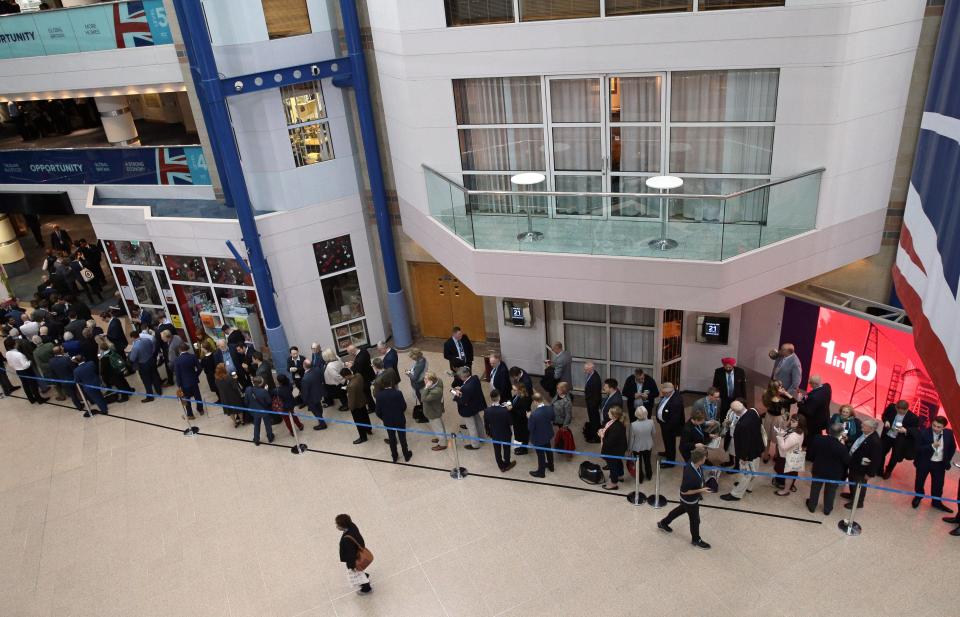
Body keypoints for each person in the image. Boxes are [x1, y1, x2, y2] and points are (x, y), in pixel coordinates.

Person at [657, 448, 712, 550]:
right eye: (705, 457)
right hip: (690, 500)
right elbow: (684, 491)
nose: (706, 458)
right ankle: (696, 540)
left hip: (687, 500)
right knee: (695, 520)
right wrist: (701, 490)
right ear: (700, 459)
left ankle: (663, 523)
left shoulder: (692, 461)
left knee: (680, 510)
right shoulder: (691, 475)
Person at [721, 402, 765, 502]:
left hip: (748, 454)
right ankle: (749, 487)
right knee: (754, 470)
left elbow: (744, 443)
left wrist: (743, 457)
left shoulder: (742, 425)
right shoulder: (753, 411)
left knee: (746, 474)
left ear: (735, 412)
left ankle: (736, 494)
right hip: (757, 448)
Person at [912, 416, 956, 513]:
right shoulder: (923, 432)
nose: (935, 428)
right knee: (919, 481)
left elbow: (952, 447)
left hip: (939, 464)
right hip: (924, 462)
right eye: (934, 425)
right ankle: (918, 496)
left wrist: (947, 460)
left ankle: (936, 502)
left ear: (943, 427)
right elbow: (917, 449)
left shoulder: (949, 434)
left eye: (938, 427)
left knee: (938, 484)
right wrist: (931, 446)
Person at [805, 425, 850, 515]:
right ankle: (827, 509)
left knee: (815, 488)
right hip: (834, 473)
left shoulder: (818, 438)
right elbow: (847, 461)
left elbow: (812, 453)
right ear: (841, 434)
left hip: (819, 468)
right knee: (831, 491)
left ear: (829, 431)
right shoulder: (842, 447)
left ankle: (812, 506)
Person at [842, 418, 882, 509]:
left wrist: (869, 474)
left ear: (871, 429)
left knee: (859, 484)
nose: (861, 426)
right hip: (854, 463)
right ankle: (853, 495)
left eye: (864, 425)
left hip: (862, 468)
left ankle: (858, 502)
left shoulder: (875, 442)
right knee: (852, 479)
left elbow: (876, 460)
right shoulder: (863, 433)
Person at [880, 399, 919, 479]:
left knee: (895, 457)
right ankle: (879, 469)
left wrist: (906, 430)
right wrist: (886, 421)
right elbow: (884, 415)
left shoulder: (913, 418)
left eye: (902, 412)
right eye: (898, 411)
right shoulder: (891, 407)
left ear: (907, 409)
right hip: (887, 435)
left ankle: (888, 471)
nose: (899, 413)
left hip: (899, 439)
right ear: (896, 407)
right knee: (881, 452)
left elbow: (915, 430)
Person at [375, 381, 413, 463]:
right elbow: (404, 406)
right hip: (399, 419)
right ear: (391, 384)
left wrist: (384, 418)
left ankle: (395, 457)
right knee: (402, 438)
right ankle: (406, 455)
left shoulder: (379, 396)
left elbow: (378, 412)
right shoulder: (398, 393)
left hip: (388, 421)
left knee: (392, 439)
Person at [336, 514, 372, 595]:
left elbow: (350, 554)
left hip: (354, 558)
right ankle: (364, 575)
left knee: (357, 573)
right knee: (359, 571)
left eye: (337, 525)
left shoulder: (346, 540)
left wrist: (352, 566)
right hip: (358, 551)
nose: (336, 526)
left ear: (342, 526)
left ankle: (366, 588)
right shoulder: (352, 525)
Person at [761, 379, 795, 463]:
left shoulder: (765, 394)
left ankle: (765, 456)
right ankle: (776, 456)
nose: (782, 387)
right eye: (780, 386)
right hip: (778, 419)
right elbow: (793, 401)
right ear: (775, 389)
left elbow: (765, 404)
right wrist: (785, 393)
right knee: (778, 438)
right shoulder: (781, 400)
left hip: (768, 417)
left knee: (767, 437)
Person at [4, 338, 46, 404]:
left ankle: (31, 399)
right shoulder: (19, 354)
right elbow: (25, 365)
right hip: (26, 371)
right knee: (33, 385)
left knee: (25, 385)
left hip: (18, 371)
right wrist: (30, 361)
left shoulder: (7, 353)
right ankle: (39, 399)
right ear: (14, 344)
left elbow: (10, 364)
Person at [452, 366, 485, 449]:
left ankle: (475, 444)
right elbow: (468, 389)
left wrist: (456, 394)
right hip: (476, 405)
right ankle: (482, 437)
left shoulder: (466, 388)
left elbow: (463, 401)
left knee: (471, 426)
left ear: (463, 377)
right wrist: (461, 388)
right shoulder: (475, 378)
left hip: (468, 409)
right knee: (478, 421)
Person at [797, 374, 832, 448]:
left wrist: (799, 402)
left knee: (811, 437)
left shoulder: (815, 397)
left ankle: (809, 450)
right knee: (816, 435)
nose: (809, 384)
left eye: (810, 383)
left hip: (814, 421)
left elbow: (808, 411)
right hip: (822, 417)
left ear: (815, 384)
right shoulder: (827, 387)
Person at [774, 414, 806, 496]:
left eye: (794, 421)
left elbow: (784, 447)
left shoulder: (795, 435)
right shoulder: (797, 430)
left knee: (789, 475)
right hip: (792, 455)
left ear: (800, 423)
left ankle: (786, 490)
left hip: (789, 457)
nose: (791, 422)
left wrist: (780, 436)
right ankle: (786, 485)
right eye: (791, 420)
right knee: (790, 474)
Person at [484, 390, 516, 472]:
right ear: (499, 397)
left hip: (494, 433)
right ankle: (507, 463)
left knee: (497, 450)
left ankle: (500, 465)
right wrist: (509, 409)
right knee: (506, 448)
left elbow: (486, 423)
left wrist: (488, 432)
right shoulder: (505, 411)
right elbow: (511, 422)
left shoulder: (487, 411)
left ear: (491, 398)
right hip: (505, 433)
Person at [599, 406, 628, 490]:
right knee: (618, 462)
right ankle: (620, 475)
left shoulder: (616, 427)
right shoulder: (617, 422)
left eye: (609, 412)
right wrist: (602, 431)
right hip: (619, 449)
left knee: (613, 466)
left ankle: (613, 483)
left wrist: (601, 435)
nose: (607, 413)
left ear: (614, 415)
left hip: (613, 450)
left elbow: (609, 442)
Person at [654, 382, 684, 463]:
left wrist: (667, 428)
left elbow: (675, 420)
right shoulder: (669, 395)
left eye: (664, 393)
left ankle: (670, 461)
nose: (663, 394)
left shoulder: (676, 402)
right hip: (664, 424)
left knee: (670, 443)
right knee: (666, 441)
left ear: (670, 391)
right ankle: (667, 453)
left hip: (670, 427)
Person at [95, 336, 131, 403]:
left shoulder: (103, 358)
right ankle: (129, 390)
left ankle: (124, 397)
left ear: (102, 349)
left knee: (119, 385)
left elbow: (103, 370)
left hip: (112, 374)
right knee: (123, 380)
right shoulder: (112, 351)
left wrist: (103, 376)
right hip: (119, 369)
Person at [128, 330, 161, 403]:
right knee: (155, 375)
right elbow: (153, 348)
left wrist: (129, 354)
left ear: (133, 337)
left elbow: (132, 358)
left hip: (143, 364)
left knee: (146, 381)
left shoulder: (135, 347)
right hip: (151, 360)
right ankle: (159, 391)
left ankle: (150, 396)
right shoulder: (147, 340)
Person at [528, 393, 555, 478]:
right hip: (547, 434)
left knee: (540, 455)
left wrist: (529, 418)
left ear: (535, 402)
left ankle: (541, 472)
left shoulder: (534, 415)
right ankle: (551, 466)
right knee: (548, 450)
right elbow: (553, 418)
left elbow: (530, 428)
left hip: (538, 437)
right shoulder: (550, 408)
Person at [174, 342, 204, 419]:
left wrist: (179, 385)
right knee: (197, 396)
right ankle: (200, 410)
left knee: (186, 398)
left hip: (184, 383)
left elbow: (177, 374)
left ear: (179, 350)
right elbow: (200, 368)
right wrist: (195, 375)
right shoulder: (193, 357)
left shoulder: (177, 360)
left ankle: (190, 414)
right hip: (194, 381)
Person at [342, 367, 373, 444]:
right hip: (362, 399)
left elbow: (352, 399)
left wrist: (350, 407)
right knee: (365, 415)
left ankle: (363, 437)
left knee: (358, 421)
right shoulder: (359, 375)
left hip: (356, 405)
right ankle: (368, 429)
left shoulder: (351, 386)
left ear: (346, 376)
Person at [244, 376, 276, 446]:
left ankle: (256, 439)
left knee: (256, 425)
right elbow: (269, 402)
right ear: (261, 383)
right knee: (267, 424)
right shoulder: (264, 391)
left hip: (254, 411)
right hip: (264, 411)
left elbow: (246, 401)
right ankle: (270, 437)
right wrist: (267, 391)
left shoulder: (248, 389)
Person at [421, 371, 447, 451]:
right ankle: (440, 438)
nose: (424, 380)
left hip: (433, 411)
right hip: (434, 409)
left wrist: (426, 388)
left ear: (431, 381)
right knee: (437, 426)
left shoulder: (436, 391)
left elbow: (423, 399)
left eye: (426, 379)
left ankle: (443, 444)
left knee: (438, 427)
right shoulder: (438, 380)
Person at [629, 407, 656, 482]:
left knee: (638, 464)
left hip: (637, 447)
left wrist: (630, 449)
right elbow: (653, 433)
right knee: (648, 461)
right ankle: (649, 475)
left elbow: (631, 438)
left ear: (636, 414)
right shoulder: (651, 422)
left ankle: (640, 478)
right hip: (648, 445)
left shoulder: (633, 425)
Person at [215, 363, 246, 428]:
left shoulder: (216, 379)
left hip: (225, 397)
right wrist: (235, 379)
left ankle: (235, 423)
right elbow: (235, 387)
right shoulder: (228, 377)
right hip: (234, 396)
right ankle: (242, 420)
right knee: (239, 408)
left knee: (230, 411)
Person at [346, 344, 375, 411]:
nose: (349, 355)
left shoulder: (359, 359)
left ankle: (372, 407)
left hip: (365, 378)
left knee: (367, 393)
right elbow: (361, 363)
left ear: (352, 351)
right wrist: (354, 363)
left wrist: (351, 366)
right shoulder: (363, 351)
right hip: (370, 373)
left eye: (349, 353)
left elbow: (357, 370)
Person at [301, 359, 327, 430]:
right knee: (319, 407)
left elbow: (305, 392)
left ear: (304, 366)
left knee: (315, 411)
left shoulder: (305, 379)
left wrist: (304, 400)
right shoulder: (317, 370)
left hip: (311, 397)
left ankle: (322, 424)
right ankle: (321, 418)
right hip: (319, 393)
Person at [508, 383, 531, 455]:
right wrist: (509, 403)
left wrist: (511, 409)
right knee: (518, 434)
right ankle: (521, 447)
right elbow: (513, 401)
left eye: (514, 389)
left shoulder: (524, 399)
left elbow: (522, 413)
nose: (513, 391)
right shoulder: (517, 396)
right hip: (516, 420)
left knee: (523, 435)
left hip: (522, 421)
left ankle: (524, 449)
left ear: (520, 390)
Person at [406, 348, 428, 423]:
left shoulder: (419, 365)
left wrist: (408, 373)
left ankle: (425, 416)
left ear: (416, 357)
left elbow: (415, 378)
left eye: (412, 358)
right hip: (421, 383)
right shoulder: (423, 359)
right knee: (422, 399)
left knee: (421, 400)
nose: (412, 359)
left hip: (418, 385)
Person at [583, 362, 602, 443]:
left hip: (593, 403)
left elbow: (596, 394)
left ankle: (596, 436)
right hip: (590, 401)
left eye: (586, 369)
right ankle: (594, 429)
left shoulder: (595, 379)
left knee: (594, 419)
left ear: (591, 369)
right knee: (592, 418)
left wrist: (593, 405)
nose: (584, 371)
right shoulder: (591, 375)